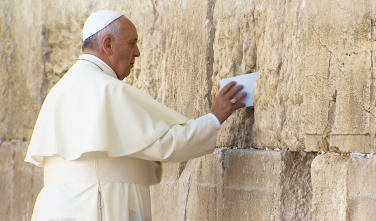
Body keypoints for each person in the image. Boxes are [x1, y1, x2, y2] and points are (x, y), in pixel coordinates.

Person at [25, 10, 247, 221]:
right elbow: (167, 143)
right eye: (132, 43)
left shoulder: (59, 90)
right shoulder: (107, 90)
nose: (137, 52)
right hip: (97, 207)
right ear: (108, 45)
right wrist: (215, 117)